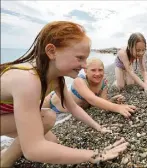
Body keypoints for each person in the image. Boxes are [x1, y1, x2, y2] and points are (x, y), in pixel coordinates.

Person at [0, 21, 129, 167]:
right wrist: (93, 155)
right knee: (43, 126)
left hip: (5, 117)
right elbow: (33, 150)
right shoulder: (27, 79)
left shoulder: (57, 79)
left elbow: (73, 108)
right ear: (52, 52)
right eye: (79, 58)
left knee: (51, 140)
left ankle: (4, 155)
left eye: (85, 59)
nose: (85, 65)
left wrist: (98, 127)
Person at [43, 58, 136, 118]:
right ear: (85, 71)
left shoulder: (103, 83)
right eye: (93, 70)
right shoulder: (79, 81)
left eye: (100, 70)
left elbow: (101, 102)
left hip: (64, 112)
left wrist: (112, 100)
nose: (97, 73)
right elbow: (92, 99)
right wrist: (118, 108)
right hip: (51, 102)